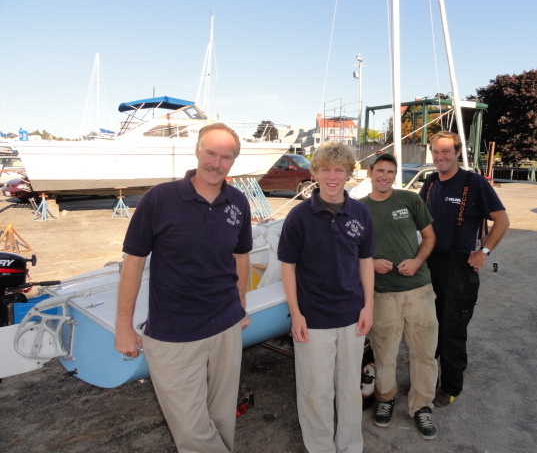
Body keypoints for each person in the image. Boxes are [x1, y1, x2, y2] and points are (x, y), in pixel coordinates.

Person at [114, 123, 252, 453]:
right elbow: (133, 262)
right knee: (192, 431)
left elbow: (241, 256)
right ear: (197, 151)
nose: (217, 163)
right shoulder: (159, 199)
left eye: (226, 157)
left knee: (221, 419)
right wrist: (123, 327)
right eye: (211, 153)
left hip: (225, 328)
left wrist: (241, 305)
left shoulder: (238, 203)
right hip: (173, 334)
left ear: (233, 162)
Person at [278, 142, 375, 453]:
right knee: (316, 390)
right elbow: (288, 266)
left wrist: (368, 306)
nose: (332, 176)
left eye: (339, 170)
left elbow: (365, 262)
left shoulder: (360, 212)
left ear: (348, 173)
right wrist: (296, 313)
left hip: (352, 315)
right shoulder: (299, 216)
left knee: (349, 388)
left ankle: (350, 447)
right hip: (313, 317)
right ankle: (320, 448)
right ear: (314, 173)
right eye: (325, 170)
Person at [418, 131, 510, 407]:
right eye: (435, 151)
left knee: (452, 329)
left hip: (459, 267)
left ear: (458, 152)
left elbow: (502, 221)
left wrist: (483, 252)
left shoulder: (474, 182)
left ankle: (450, 386)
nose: (440, 157)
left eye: (446, 151)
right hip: (430, 263)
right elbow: (419, 219)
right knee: (428, 326)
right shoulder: (431, 182)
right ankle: (427, 379)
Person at [359, 152, 439, 440]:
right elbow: (352, 250)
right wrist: (371, 262)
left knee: (424, 353)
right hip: (383, 294)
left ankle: (422, 406)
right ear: (370, 172)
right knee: (384, 354)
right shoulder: (359, 208)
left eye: (390, 171)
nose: (385, 176)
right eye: (380, 170)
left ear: (395, 174)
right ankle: (385, 399)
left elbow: (429, 237)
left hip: (419, 290)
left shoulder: (410, 200)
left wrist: (417, 261)